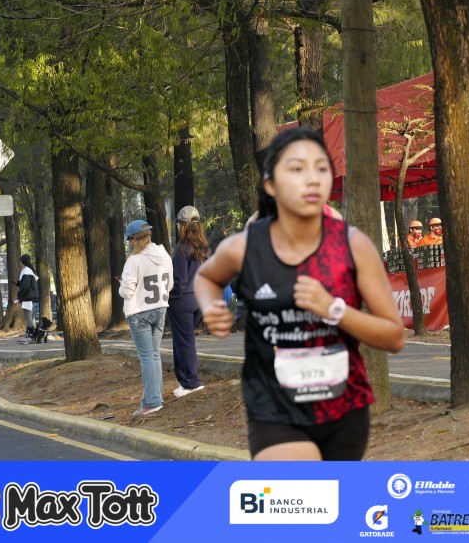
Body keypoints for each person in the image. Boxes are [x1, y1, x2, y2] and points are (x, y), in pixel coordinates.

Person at [194, 127, 404, 461]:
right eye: (296, 169)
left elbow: (394, 336)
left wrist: (333, 309)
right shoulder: (245, 247)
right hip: (273, 408)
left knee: (331, 495)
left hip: (343, 410)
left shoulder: (353, 245)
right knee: (298, 488)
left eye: (321, 168)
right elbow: (206, 276)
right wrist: (212, 305)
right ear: (270, 185)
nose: (312, 179)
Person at [118, 220, 174, 417]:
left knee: (147, 357)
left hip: (139, 311)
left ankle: (152, 401)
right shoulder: (164, 255)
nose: (130, 243)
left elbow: (127, 291)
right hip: (160, 307)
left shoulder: (133, 261)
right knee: (155, 354)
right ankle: (156, 396)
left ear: (134, 239)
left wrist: (121, 286)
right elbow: (170, 284)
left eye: (130, 240)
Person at [169, 205, 208, 398]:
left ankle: (191, 382)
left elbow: (179, 280)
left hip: (182, 300)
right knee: (185, 340)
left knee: (183, 342)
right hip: (199, 298)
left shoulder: (182, 248)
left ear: (182, 225)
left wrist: (171, 297)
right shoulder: (203, 247)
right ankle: (185, 381)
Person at [14, 254, 39, 339]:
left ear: (22, 262)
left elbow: (25, 286)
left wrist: (19, 296)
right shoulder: (28, 270)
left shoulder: (26, 271)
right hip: (28, 295)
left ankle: (31, 334)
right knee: (28, 315)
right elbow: (25, 284)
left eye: (20, 261)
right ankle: (30, 332)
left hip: (28, 296)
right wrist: (18, 283)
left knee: (28, 315)